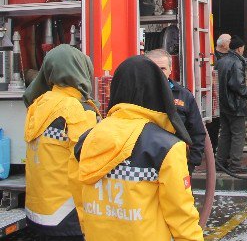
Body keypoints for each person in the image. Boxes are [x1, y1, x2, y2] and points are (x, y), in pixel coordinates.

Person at [74, 56, 203, 241]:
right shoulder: (167, 147)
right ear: (158, 91)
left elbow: (80, 199)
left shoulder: (86, 140)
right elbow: (182, 217)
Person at [23, 45, 100, 241]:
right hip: (68, 217)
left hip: (37, 213)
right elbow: (89, 165)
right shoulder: (77, 110)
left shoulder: (38, 105)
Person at [146, 49, 207, 175]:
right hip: (145, 164)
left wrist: (192, 162)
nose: (158, 73)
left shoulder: (184, 96)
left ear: (170, 69)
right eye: (153, 68)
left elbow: (197, 131)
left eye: (162, 68)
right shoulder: (137, 95)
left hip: (177, 163)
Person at [214, 36, 247, 173]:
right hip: (235, 104)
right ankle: (235, 164)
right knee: (238, 134)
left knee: (225, 133)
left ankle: (220, 162)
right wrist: (246, 92)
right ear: (239, 48)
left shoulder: (221, 61)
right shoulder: (236, 62)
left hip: (223, 103)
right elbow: (238, 85)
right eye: (243, 47)